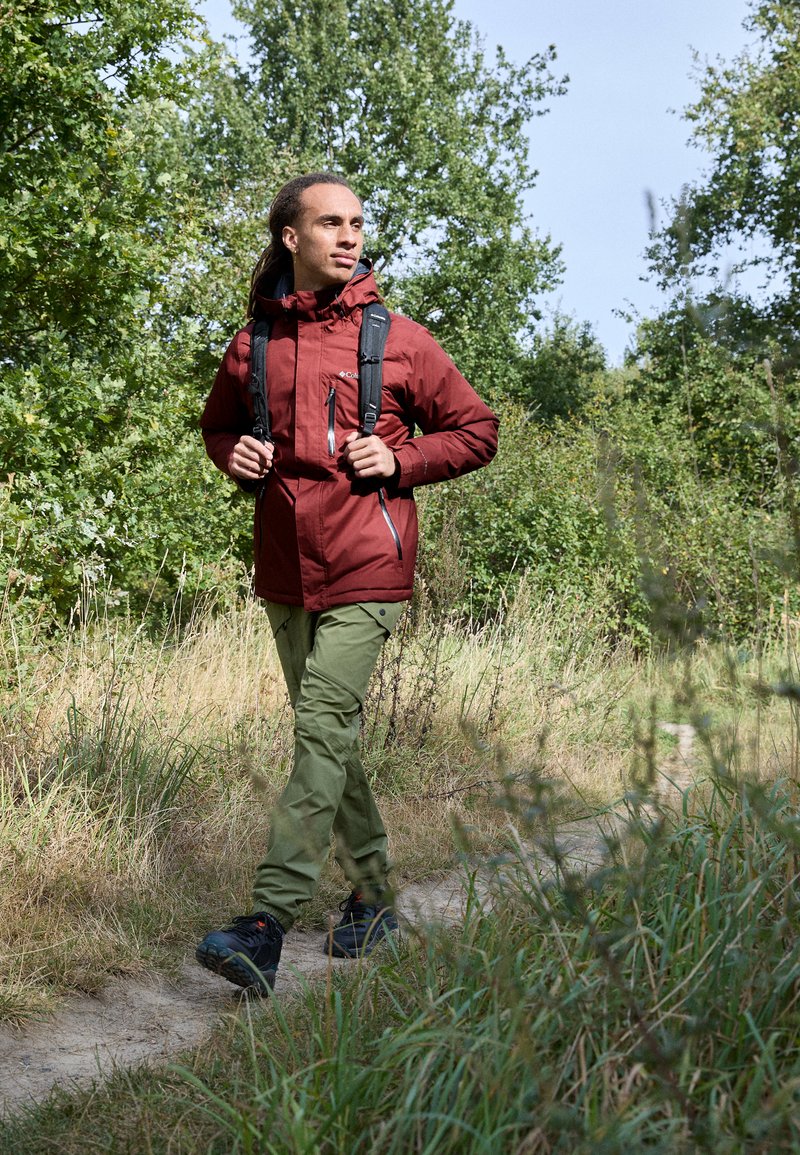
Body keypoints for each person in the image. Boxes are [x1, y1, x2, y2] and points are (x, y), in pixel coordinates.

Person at [195, 172, 498, 992]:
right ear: (290, 236)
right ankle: (373, 897)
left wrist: (403, 457)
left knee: (323, 723)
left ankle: (266, 923)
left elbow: (477, 429)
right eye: (331, 223)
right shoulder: (252, 343)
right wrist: (236, 455)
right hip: (286, 565)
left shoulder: (400, 338)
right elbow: (218, 426)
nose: (350, 236)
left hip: (371, 559)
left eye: (358, 223)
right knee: (330, 738)